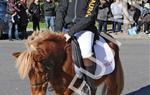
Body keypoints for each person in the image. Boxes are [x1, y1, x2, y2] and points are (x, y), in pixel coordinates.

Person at [54, 0, 100, 94]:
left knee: (85, 53)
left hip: (85, 29)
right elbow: (60, 11)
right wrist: (58, 31)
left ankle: (90, 85)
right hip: (66, 28)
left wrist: (71, 32)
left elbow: (89, 17)